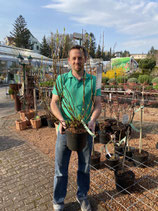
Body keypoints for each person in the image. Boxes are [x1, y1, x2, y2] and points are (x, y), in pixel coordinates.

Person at [50, 45, 101, 211]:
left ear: (85, 59)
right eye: (74, 58)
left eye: (80, 58)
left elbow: (98, 104)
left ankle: (82, 196)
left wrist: (92, 120)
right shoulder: (62, 79)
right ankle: (58, 200)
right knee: (60, 168)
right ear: (69, 61)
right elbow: (53, 102)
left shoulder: (94, 80)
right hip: (65, 130)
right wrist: (61, 120)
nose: (77, 61)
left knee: (85, 167)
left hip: (85, 130)